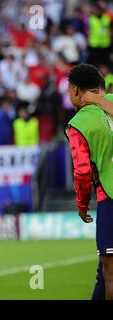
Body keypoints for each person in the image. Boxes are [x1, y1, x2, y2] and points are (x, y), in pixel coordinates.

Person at [66, 64, 113, 300]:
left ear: (75, 89)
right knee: (103, 277)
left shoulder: (78, 124)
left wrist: (82, 205)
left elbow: (83, 172)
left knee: (110, 275)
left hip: (110, 196)